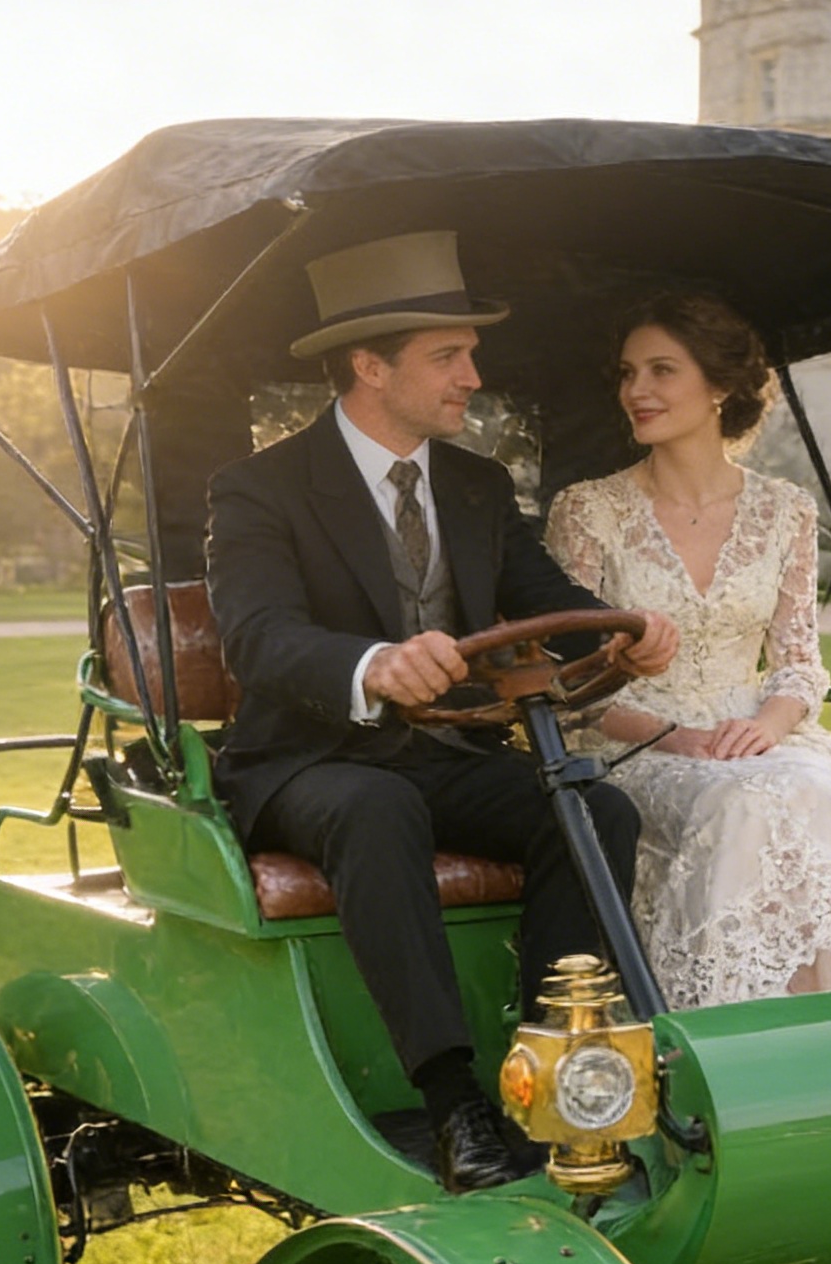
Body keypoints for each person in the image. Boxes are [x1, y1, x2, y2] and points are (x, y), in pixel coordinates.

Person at [205, 231, 679, 1193]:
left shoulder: (476, 485)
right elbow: (257, 637)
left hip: (448, 751)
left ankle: (551, 1071)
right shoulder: (259, 487)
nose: (473, 376)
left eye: (471, 354)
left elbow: (543, 594)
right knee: (378, 810)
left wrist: (622, 633)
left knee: (595, 808)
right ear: (370, 366)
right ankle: (451, 1099)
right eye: (448, 356)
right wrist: (374, 664)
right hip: (308, 760)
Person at [545, 291, 831, 1010]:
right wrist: (677, 737)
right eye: (628, 373)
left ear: (720, 386)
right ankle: (750, 1021)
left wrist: (766, 728)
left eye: (661, 370)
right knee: (754, 802)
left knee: (806, 789)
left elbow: (799, 664)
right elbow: (571, 679)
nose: (636, 391)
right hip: (636, 742)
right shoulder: (588, 511)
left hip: (759, 735)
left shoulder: (786, 511)